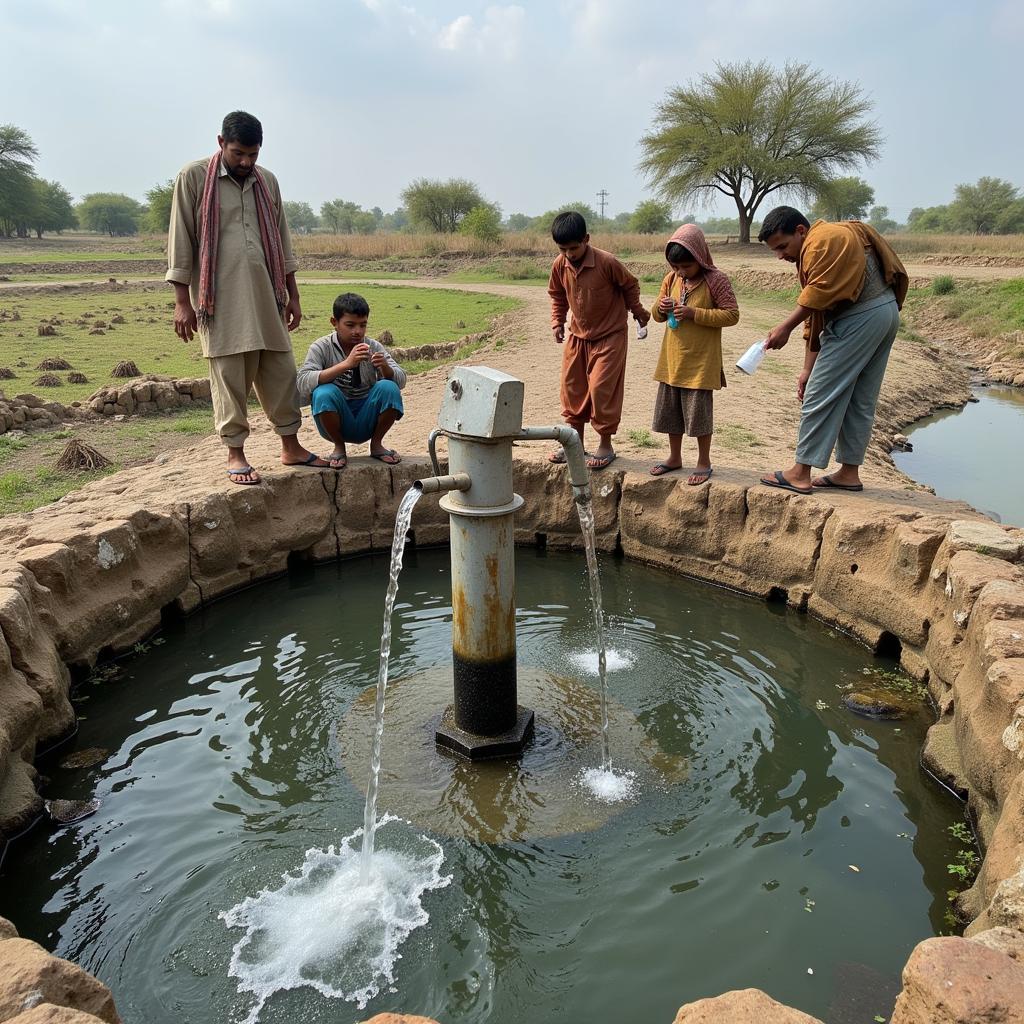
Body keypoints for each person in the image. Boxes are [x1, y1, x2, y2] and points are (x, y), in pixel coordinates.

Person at [166, 110, 330, 485]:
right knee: (229, 375)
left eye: (253, 154)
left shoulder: (266, 181)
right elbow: (181, 239)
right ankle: (236, 453)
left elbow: (283, 240)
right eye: (239, 153)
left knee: (280, 370)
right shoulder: (193, 178)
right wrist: (181, 301)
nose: (246, 162)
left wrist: (294, 295)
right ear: (221, 143)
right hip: (218, 299)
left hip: (268, 295)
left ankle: (291, 445)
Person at [756, 206, 908, 495]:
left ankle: (801, 472)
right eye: (775, 250)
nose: (780, 256)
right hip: (882, 314)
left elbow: (817, 296)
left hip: (861, 317)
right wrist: (806, 369)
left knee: (820, 393)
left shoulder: (822, 240)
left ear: (801, 231)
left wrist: (785, 327)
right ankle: (849, 473)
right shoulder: (828, 240)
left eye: (783, 246)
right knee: (860, 399)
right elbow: (817, 314)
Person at [547, 211, 650, 470]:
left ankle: (605, 445)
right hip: (577, 337)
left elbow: (630, 286)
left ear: (586, 239)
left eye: (574, 247)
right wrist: (557, 321)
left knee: (603, 388)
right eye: (563, 249)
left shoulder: (607, 262)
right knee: (573, 389)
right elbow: (557, 295)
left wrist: (638, 312)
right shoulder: (560, 265)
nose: (569, 254)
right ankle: (575, 443)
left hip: (610, 336)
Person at [648, 224, 739, 484]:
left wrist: (694, 314)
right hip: (672, 359)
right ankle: (674, 458)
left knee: (699, 414)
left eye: (686, 266)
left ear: (700, 257)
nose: (680, 272)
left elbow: (732, 315)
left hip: (701, 361)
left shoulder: (716, 280)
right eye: (675, 267)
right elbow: (656, 315)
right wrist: (661, 306)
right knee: (671, 412)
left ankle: (703, 462)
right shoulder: (671, 279)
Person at [295, 292, 406, 468]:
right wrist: (346, 364)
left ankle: (377, 445)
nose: (357, 331)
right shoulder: (321, 347)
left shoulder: (373, 346)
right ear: (334, 323)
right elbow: (302, 381)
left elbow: (401, 381)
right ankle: (339, 447)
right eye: (350, 325)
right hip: (334, 419)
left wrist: (385, 367)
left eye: (363, 325)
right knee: (323, 392)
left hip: (367, 417)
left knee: (388, 387)